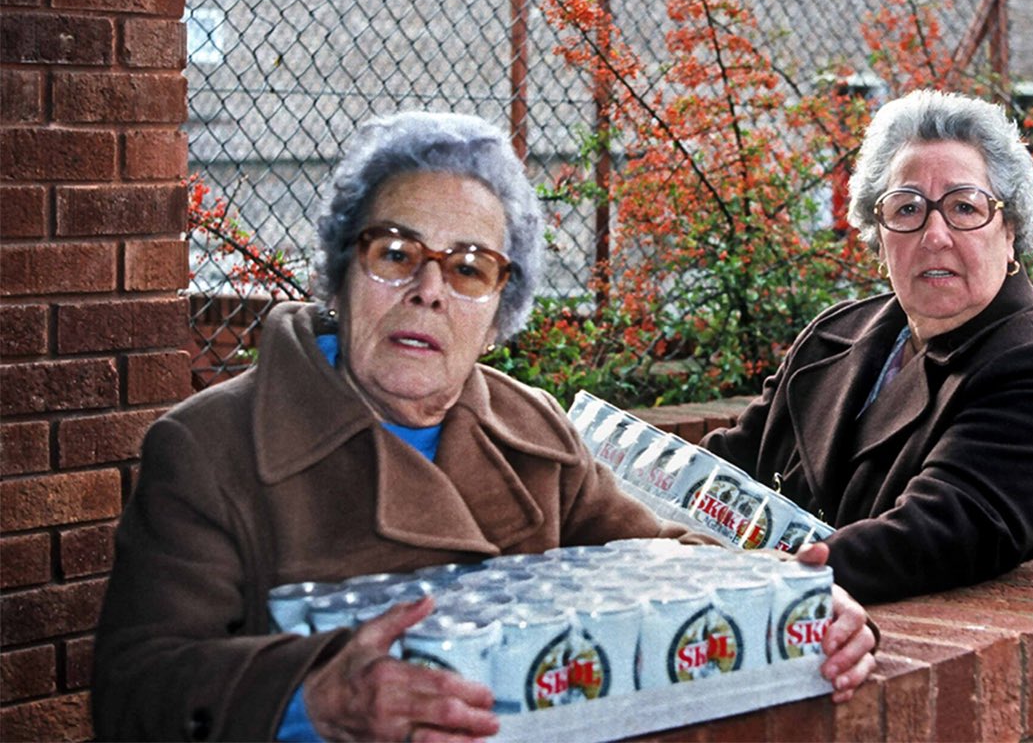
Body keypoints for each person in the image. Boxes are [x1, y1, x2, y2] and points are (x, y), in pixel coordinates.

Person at [92, 111, 877, 742]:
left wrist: (788, 606)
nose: (429, 290)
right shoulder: (210, 449)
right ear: (340, 271)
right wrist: (312, 698)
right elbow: (135, 688)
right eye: (396, 253)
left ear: (500, 313)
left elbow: (654, 559)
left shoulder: (530, 428)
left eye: (469, 268)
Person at [703, 89, 1033, 605]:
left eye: (963, 207)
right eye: (907, 208)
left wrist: (766, 575)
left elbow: (936, 534)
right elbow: (726, 467)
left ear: (1011, 228)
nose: (934, 235)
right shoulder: (832, 337)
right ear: (879, 236)